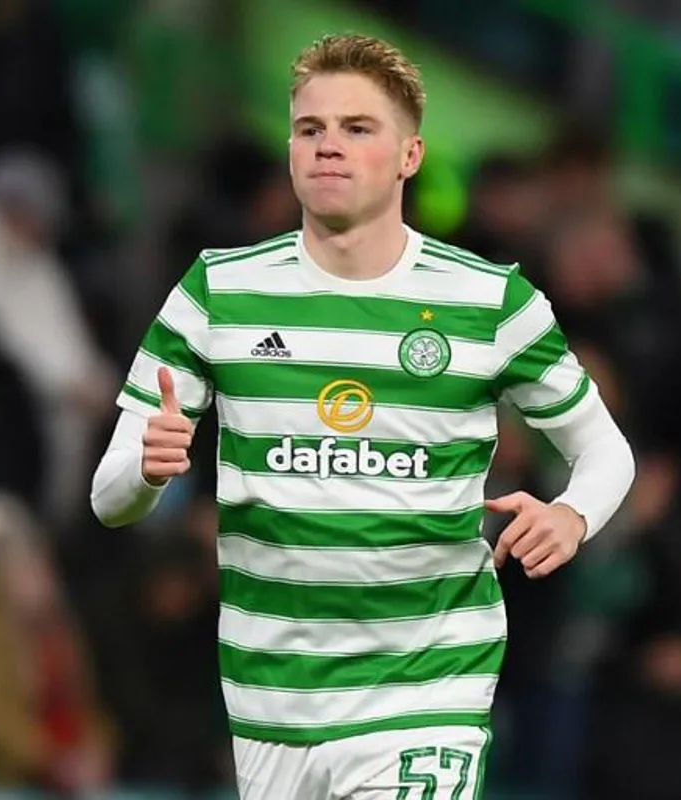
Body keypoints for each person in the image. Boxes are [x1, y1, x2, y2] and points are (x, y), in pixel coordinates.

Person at [90, 33, 636, 799]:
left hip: (427, 683)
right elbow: (108, 498)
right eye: (310, 130)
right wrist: (146, 474)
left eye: (357, 129)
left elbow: (606, 452)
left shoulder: (490, 302)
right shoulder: (219, 291)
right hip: (272, 691)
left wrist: (573, 516)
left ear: (410, 155)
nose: (328, 149)